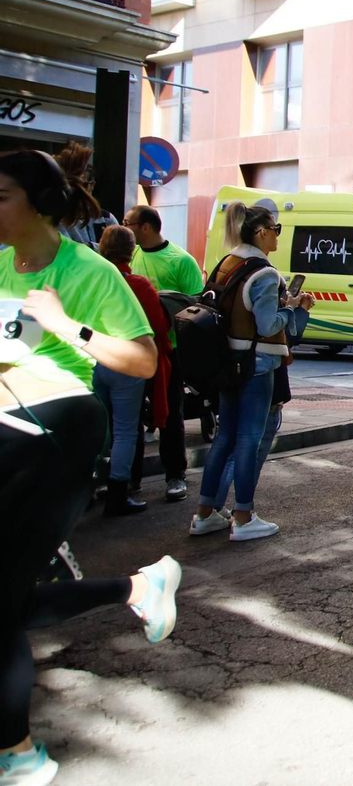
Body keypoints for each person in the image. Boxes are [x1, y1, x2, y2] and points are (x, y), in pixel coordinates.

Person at [0, 153, 181, 786]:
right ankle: (138, 589)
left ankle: (17, 752)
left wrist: (66, 327)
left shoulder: (89, 272)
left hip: (59, 429)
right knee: (12, 603)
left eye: (2, 195)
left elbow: (140, 359)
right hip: (3, 428)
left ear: (39, 203)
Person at [191, 202, 312, 541]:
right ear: (261, 232)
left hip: (227, 361)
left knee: (225, 437)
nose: (277, 236)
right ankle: (243, 516)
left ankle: (205, 513)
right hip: (257, 364)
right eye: (275, 229)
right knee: (249, 439)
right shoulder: (265, 273)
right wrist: (292, 310)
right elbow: (267, 323)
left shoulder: (226, 264)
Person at [125, 205, 203, 502]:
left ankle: (176, 476)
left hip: (168, 352)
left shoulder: (181, 260)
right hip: (132, 350)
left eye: (128, 222)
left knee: (171, 415)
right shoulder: (129, 256)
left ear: (145, 226)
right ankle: (130, 480)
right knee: (130, 418)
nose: (125, 227)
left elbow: (195, 307)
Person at [94, 226, 173, 516]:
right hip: (127, 362)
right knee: (126, 431)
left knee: (100, 428)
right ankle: (118, 493)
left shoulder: (92, 279)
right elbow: (159, 326)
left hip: (94, 359)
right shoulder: (138, 284)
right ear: (131, 250)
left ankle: (88, 486)